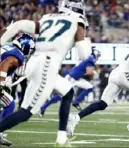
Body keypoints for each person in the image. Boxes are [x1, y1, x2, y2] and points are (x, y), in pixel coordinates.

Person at [0, 0, 90, 146]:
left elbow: (18, 25)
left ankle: (61, 139)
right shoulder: (77, 19)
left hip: (37, 62)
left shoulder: (48, 17)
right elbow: (83, 54)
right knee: (26, 112)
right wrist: (84, 42)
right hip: (47, 65)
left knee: (68, 92)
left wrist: (1, 41)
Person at [39, 49, 101, 116]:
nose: (98, 58)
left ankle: (76, 102)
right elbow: (89, 72)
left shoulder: (88, 59)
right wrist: (95, 72)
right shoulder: (90, 60)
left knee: (90, 87)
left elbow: (87, 72)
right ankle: (43, 107)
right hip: (71, 78)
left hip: (76, 78)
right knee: (61, 95)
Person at [0, 33, 35, 146]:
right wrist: (1, 83)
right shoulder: (17, 55)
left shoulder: (8, 47)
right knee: (9, 104)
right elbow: (6, 63)